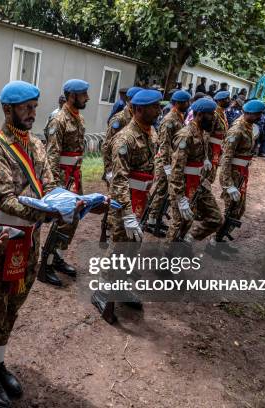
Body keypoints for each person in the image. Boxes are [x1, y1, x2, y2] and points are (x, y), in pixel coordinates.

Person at [0, 80, 59, 408]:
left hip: (30, 240)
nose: (32, 114)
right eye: (26, 108)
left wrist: (63, 201)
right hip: (2, 242)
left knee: (13, 308)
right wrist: (47, 212)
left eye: (35, 107)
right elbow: (5, 198)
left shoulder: (36, 145)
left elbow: (50, 184)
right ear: (8, 110)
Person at [91, 89, 163, 324]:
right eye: (154, 107)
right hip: (125, 202)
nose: (158, 110)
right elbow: (119, 179)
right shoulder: (125, 138)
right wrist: (128, 213)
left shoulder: (150, 133)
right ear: (139, 109)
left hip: (141, 198)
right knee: (119, 247)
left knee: (134, 246)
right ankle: (102, 291)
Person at [43, 79, 90, 286]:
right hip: (62, 177)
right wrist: (54, 187)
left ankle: (57, 256)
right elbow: (52, 155)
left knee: (73, 218)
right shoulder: (59, 120)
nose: (87, 98)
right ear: (72, 96)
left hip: (74, 176)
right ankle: (46, 263)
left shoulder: (78, 118)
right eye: (83, 94)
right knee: (62, 219)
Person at [166, 98, 223, 245]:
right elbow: (176, 169)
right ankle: (166, 261)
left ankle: (188, 240)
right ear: (199, 114)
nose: (213, 118)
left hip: (199, 183)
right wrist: (180, 198)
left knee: (215, 218)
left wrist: (205, 160)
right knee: (179, 224)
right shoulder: (185, 135)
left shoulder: (202, 132)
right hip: (184, 185)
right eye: (210, 115)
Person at [215, 100, 265, 246]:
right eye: (258, 114)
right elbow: (225, 158)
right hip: (233, 174)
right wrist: (228, 184)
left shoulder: (248, 125)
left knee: (238, 209)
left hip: (241, 173)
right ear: (249, 113)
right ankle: (215, 241)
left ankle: (220, 238)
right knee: (231, 209)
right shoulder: (237, 130)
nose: (260, 117)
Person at [146, 90, 191, 233]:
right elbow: (164, 144)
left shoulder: (179, 116)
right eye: (185, 102)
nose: (188, 105)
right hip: (165, 161)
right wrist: (166, 165)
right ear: (177, 103)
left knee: (166, 193)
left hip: (172, 161)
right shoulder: (169, 120)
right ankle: (151, 221)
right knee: (160, 191)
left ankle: (158, 218)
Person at [102, 87, 142, 185]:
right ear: (130, 101)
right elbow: (107, 146)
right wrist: (109, 171)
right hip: (117, 169)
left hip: (132, 169)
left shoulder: (139, 118)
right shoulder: (119, 119)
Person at [208, 91, 231, 182]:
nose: (229, 101)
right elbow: (207, 133)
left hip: (218, 148)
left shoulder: (222, 112)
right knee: (208, 174)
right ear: (219, 101)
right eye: (226, 99)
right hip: (211, 148)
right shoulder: (214, 114)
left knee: (212, 173)